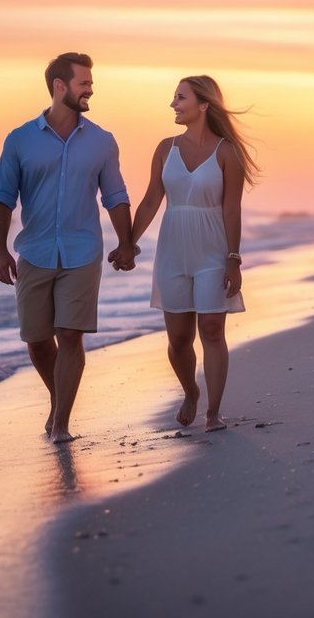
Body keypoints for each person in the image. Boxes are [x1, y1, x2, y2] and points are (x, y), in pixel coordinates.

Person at [0, 52, 135, 444]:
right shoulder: (19, 140)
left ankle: (61, 424)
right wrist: (0, 251)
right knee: (37, 341)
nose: (91, 89)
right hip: (34, 251)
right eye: (84, 83)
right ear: (60, 86)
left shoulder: (102, 141)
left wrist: (127, 243)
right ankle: (59, 401)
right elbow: (2, 197)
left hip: (82, 251)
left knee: (70, 334)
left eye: (90, 82)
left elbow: (116, 195)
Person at [116, 75, 260, 433]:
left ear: (204, 105)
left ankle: (213, 412)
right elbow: (151, 200)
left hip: (213, 251)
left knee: (211, 329)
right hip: (173, 251)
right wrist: (129, 243)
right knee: (178, 340)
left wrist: (233, 257)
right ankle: (191, 391)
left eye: (180, 98)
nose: (173, 105)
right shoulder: (166, 149)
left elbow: (231, 210)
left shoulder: (227, 152)